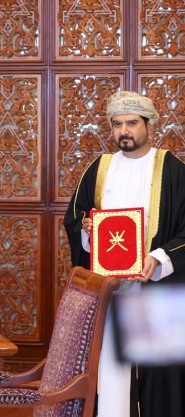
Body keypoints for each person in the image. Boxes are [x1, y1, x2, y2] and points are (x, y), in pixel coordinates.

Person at [64, 90, 185, 417]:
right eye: (117, 124)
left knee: (155, 380)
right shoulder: (99, 168)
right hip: (109, 292)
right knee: (109, 376)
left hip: (155, 293)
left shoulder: (172, 170)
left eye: (131, 123)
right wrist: (87, 231)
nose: (124, 131)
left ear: (149, 125)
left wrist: (159, 259)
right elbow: (75, 217)